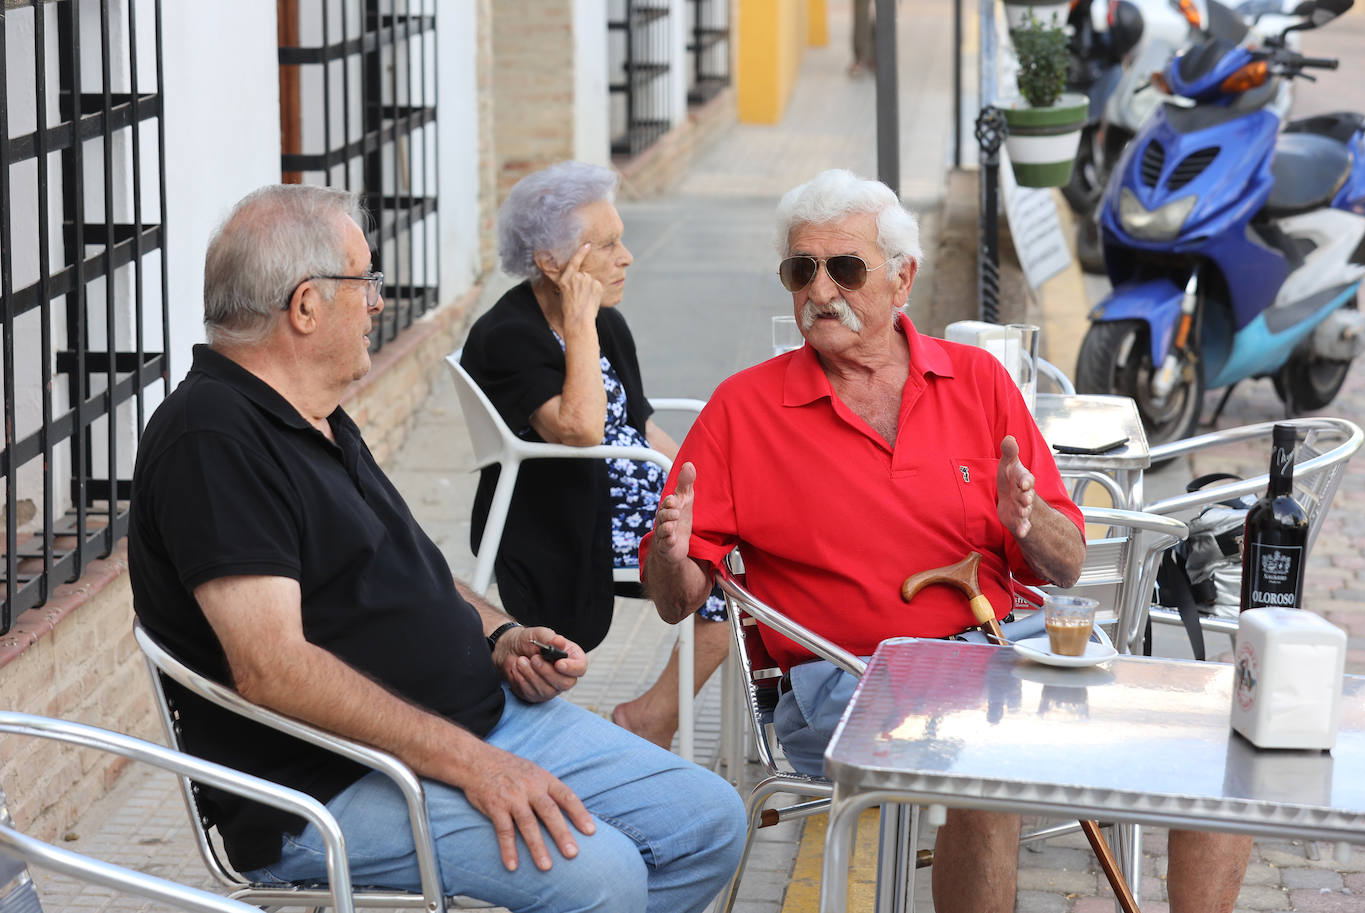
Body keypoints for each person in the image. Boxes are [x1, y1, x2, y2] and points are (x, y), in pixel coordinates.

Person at [641, 168, 1254, 913]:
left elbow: (1064, 562)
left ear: (903, 279)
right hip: (855, 679)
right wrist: (673, 557)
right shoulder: (746, 407)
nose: (819, 290)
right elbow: (678, 599)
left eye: (845, 267)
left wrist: (1026, 520)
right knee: (986, 769)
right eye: (801, 270)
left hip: (1012, 652)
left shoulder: (977, 378)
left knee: (1219, 739)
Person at [127, 183, 745, 913]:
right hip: (335, 779)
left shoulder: (315, 416)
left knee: (709, 823)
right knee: (604, 877)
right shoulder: (213, 439)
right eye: (365, 282)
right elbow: (272, 667)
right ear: (305, 306)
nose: (379, 303)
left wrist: (502, 634)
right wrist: (476, 764)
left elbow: (416, 572)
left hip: (478, 716)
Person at [460, 160, 731, 748]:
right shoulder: (509, 335)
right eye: (605, 245)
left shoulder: (608, 323)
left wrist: (707, 477)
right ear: (553, 263)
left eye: (622, 240)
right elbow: (581, 431)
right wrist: (580, 321)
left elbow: (639, 429)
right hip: (567, 515)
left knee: (749, 536)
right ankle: (653, 721)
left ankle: (654, 716)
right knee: (730, 564)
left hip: (636, 494)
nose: (626, 256)